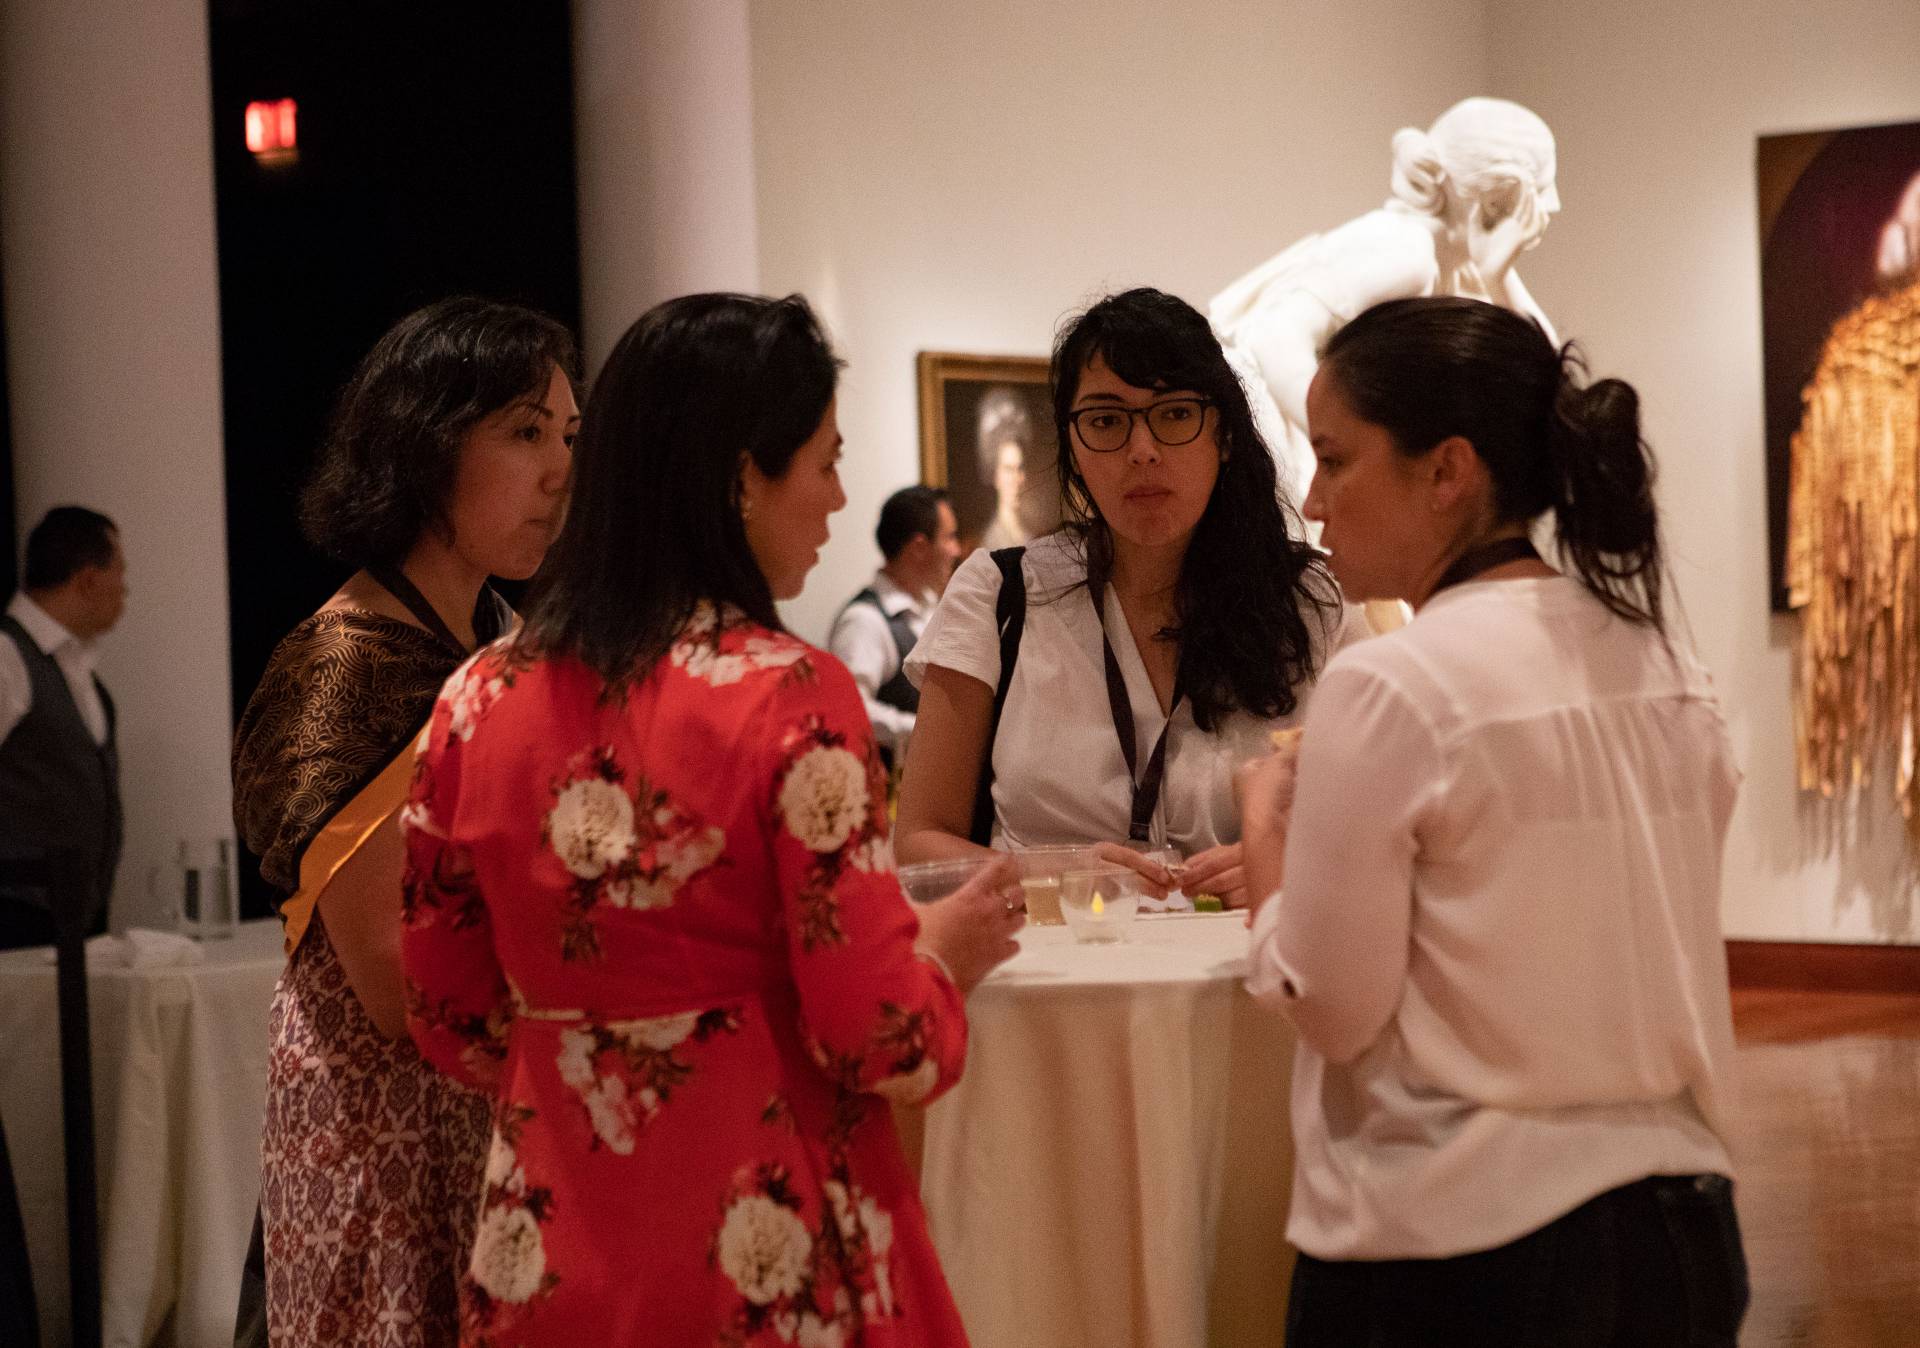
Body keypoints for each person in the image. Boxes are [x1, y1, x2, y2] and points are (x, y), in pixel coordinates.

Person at [398, 292, 1022, 1346]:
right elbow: (882, 1040)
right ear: (741, 476)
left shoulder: (474, 700)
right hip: (760, 1239)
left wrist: (599, 1038)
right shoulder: (790, 694)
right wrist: (944, 956)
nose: (835, 497)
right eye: (822, 460)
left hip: (550, 1250)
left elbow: (451, 1015)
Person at [1235, 296, 1748, 1345]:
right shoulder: (1671, 670)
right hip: (1681, 1226)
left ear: (1447, 471)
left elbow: (1333, 1005)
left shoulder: (1392, 684)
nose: (1313, 498)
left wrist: (1265, 844)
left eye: (1335, 460)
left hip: (1463, 1249)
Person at [230, 297, 579, 1347]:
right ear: (424, 446)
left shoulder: (507, 639)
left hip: (500, 1102)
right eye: (524, 432)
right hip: (384, 1128)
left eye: (569, 435)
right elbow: (394, 985)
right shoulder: (346, 670)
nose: (560, 471)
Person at [895, 287, 1356, 907]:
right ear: (1075, 448)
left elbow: (1379, 824)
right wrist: (1054, 874)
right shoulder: (1000, 593)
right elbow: (920, 838)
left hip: (1247, 982)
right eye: (1107, 421)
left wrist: (1286, 864)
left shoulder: (1312, 604)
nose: (1142, 450)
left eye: (1173, 413)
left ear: (1222, 433)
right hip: (1043, 985)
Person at [1210, 97, 1561, 506]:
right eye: (1544, 187)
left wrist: (1498, 278)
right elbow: (1273, 336)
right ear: (1500, 199)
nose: (1554, 204)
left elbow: (1554, 384)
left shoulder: (1461, 266)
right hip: (1268, 447)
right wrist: (1343, 456)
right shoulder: (1407, 249)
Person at [0, 506, 127, 949]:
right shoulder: (7, 655)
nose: (125, 589)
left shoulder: (80, 673)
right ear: (88, 578)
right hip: (16, 919)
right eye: (120, 571)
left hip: (77, 917)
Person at [827, 486, 961, 768]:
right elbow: (850, 708)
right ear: (919, 548)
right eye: (949, 538)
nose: (956, 550)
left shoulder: (929, 607)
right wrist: (925, 732)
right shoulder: (865, 620)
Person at [976, 387, 1033, 548]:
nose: (1018, 479)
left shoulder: (1030, 535)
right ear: (995, 476)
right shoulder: (990, 541)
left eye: (1020, 468)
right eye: (1008, 469)